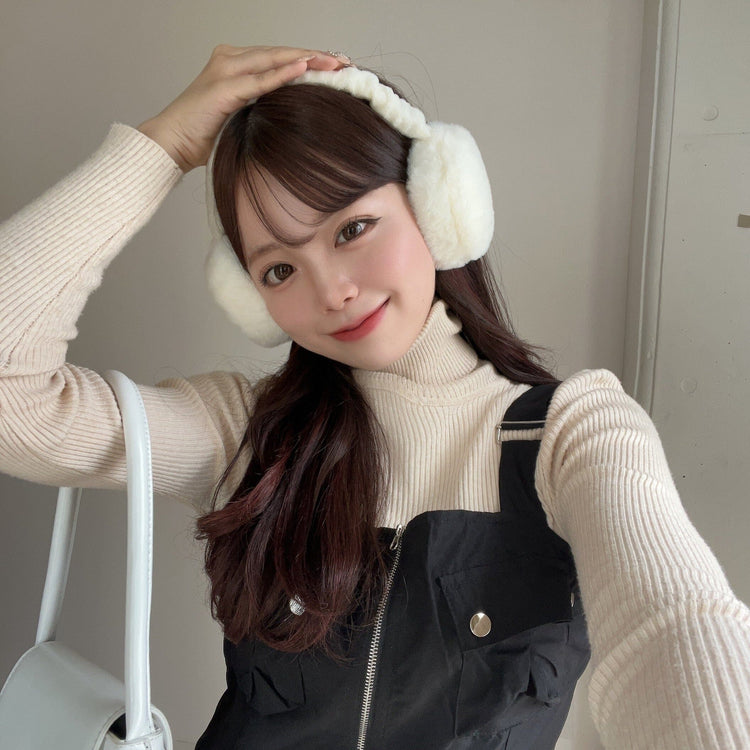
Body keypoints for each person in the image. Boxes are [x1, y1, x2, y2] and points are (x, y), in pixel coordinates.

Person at [1, 45, 749, 749]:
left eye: (353, 228)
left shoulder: (573, 434)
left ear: (437, 203)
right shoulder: (245, 433)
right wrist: (161, 147)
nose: (332, 290)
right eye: (279, 270)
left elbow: (674, 630)